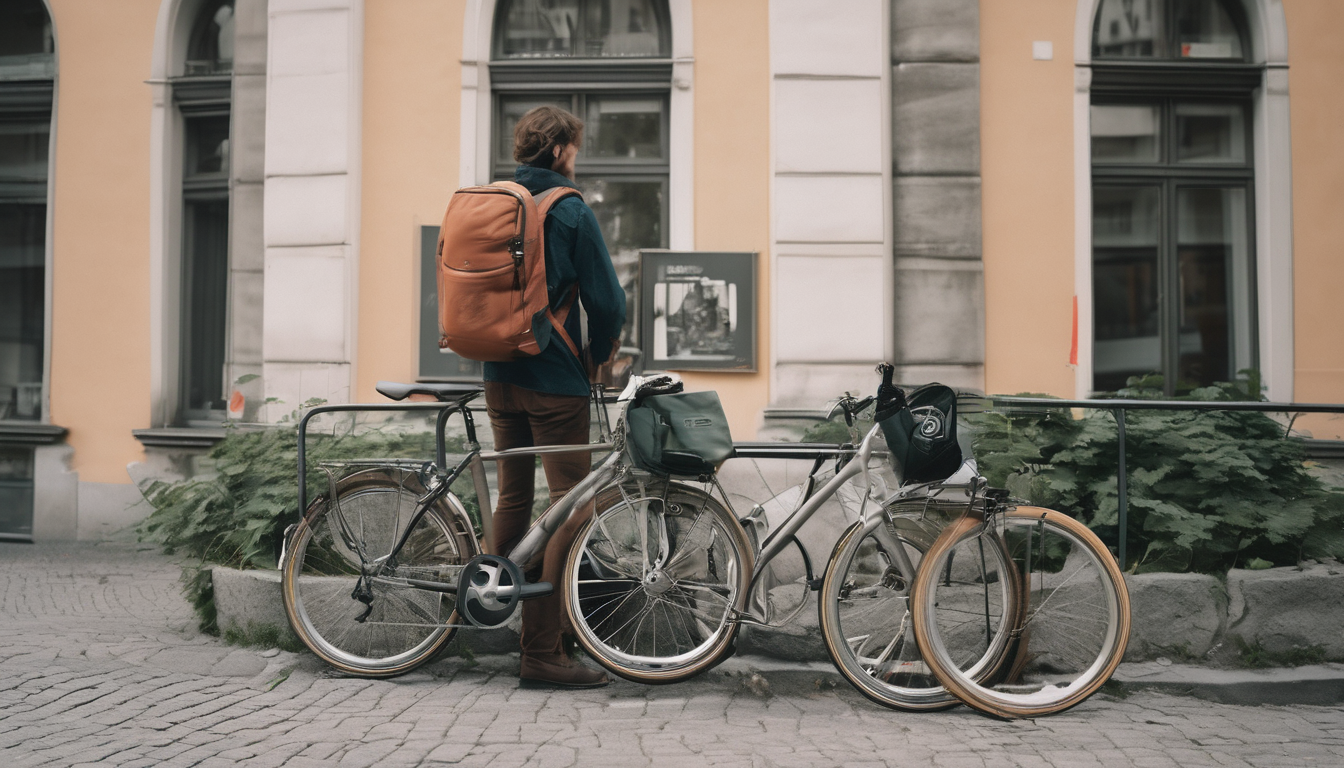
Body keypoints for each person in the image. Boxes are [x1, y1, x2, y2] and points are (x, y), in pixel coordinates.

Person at [485, 105, 626, 688]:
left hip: (497, 372)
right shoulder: (568, 209)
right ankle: (540, 649)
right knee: (572, 505)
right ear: (562, 149)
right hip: (553, 381)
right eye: (575, 147)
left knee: (515, 498)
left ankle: (490, 598)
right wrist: (600, 357)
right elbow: (609, 302)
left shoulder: (494, 202)